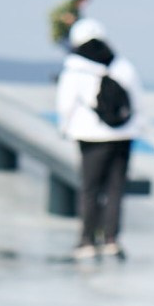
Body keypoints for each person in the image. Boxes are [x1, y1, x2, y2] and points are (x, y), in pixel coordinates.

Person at [55, 18, 143, 260]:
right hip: (124, 135)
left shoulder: (75, 68)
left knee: (90, 188)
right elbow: (136, 99)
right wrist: (136, 126)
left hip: (90, 135)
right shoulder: (122, 65)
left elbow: (66, 104)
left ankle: (86, 240)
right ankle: (111, 239)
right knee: (115, 188)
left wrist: (65, 128)